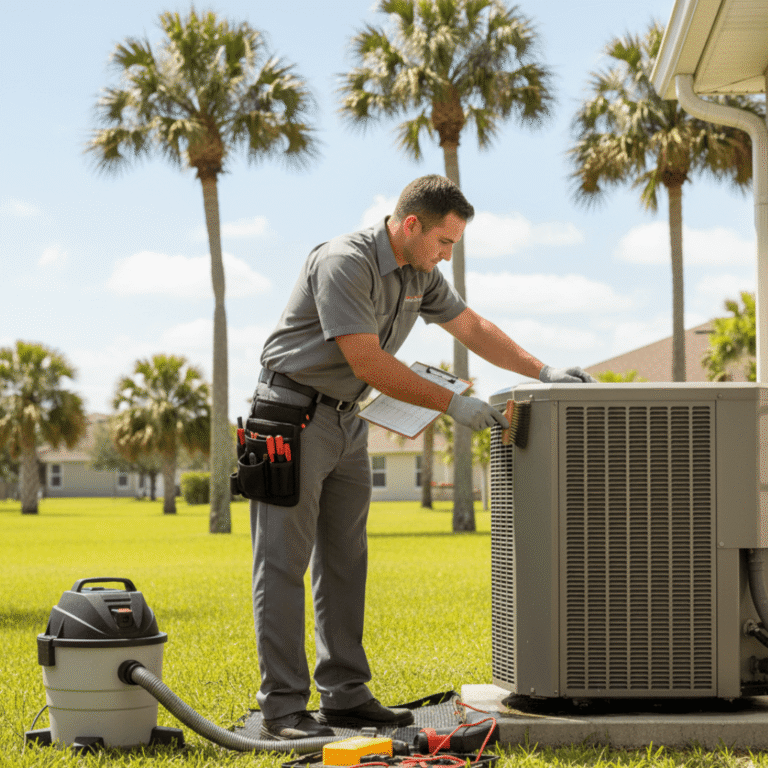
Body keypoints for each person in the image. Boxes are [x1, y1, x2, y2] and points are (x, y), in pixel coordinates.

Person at [250, 174, 594, 740]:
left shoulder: (420, 274)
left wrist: (542, 370)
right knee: (283, 562)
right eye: (444, 241)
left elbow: (472, 326)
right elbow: (367, 360)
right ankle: (283, 710)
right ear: (411, 225)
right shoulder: (345, 261)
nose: (447, 254)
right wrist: (453, 404)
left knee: (345, 560)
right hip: (292, 415)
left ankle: (344, 695)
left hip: (346, 419)